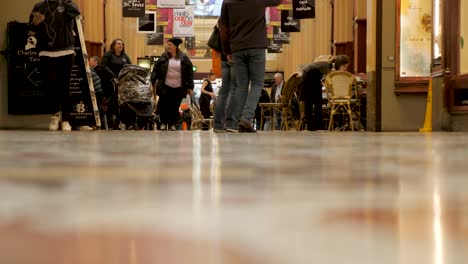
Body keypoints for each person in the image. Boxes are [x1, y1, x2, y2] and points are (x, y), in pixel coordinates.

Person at [220, 0, 281, 132]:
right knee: (257, 84)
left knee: (241, 86)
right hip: (256, 45)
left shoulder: (227, 2)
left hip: (237, 47)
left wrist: (227, 50)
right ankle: (246, 119)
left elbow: (223, 27)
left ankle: (232, 123)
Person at [29, 0, 80, 131]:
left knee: (64, 86)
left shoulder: (68, 4)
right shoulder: (39, 6)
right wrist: (35, 23)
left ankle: (66, 120)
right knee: (50, 86)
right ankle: (54, 116)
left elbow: (76, 12)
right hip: (46, 52)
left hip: (66, 51)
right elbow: (31, 26)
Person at [151, 37, 194, 131]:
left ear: (175, 46)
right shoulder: (163, 57)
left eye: (170, 44)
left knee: (174, 107)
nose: (167, 46)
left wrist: (190, 87)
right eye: (167, 44)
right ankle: (163, 122)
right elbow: (156, 69)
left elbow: (190, 73)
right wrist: (152, 81)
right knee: (163, 105)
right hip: (165, 86)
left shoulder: (184, 58)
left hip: (179, 87)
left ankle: (172, 123)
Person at [101, 39, 131, 129]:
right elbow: (103, 66)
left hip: (122, 83)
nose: (120, 45)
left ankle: (120, 122)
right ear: (113, 45)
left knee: (121, 104)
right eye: (118, 44)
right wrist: (113, 76)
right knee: (112, 103)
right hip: (110, 82)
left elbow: (130, 66)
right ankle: (111, 123)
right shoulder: (108, 55)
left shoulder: (125, 56)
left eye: (122, 44)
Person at [300, 56, 334, 131]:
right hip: (312, 74)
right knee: (317, 103)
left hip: (306, 75)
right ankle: (317, 125)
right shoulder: (329, 66)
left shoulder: (323, 64)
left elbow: (322, 78)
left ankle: (311, 126)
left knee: (308, 103)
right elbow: (327, 78)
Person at [213, 54, 236, 132]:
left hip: (223, 57)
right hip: (234, 56)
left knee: (223, 91)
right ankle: (230, 124)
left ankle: (217, 125)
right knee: (233, 89)